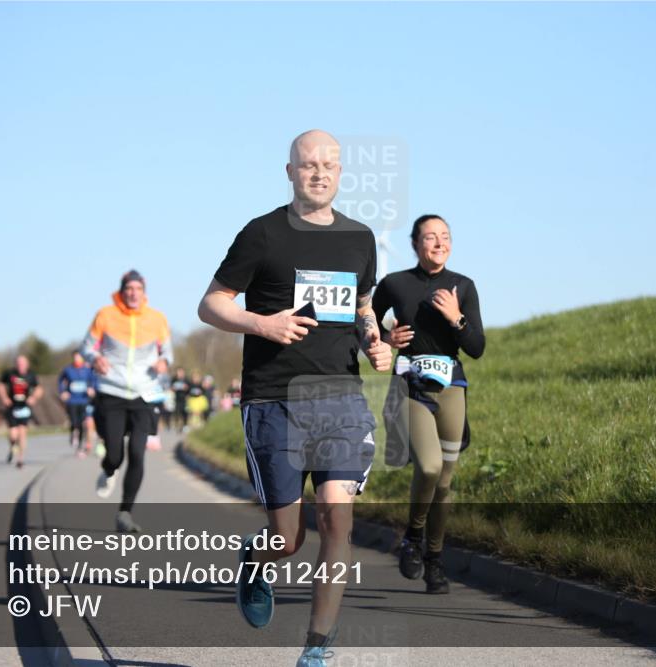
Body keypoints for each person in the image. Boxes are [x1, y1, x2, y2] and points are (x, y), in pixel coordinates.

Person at [198, 130, 392, 667]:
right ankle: (257, 561)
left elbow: (362, 306)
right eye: (308, 164)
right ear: (290, 172)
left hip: (340, 398)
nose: (319, 173)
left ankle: (316, 650)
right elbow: (210, 305)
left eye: (329, 164)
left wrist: (373, 340)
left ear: (341, 171)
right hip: (274, 400)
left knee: (338, 519)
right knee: (288, 539)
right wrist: (261, 322)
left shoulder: (360, 237)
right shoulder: (262, 234)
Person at [373, 214, 486, 594]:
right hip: (411, 386)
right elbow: (367, 322)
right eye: (430, 238)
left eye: (445, 237)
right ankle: (413, 536)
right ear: (415, 244)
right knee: (430, 466)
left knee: (445, 484)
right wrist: (386, 337)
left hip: (452, 386)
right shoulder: (394, 284)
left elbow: (477, 348)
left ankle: (434, 560)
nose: (439, 243)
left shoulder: (463, 286)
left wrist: (456, 319)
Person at [81, 269, 173, 533]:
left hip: (144, 393)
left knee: (137, 453)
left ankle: (125, 513)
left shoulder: (157, 319)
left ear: (144, 292)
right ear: (122, 291)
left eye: (138, 289)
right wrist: (94, 358)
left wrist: (163, 362)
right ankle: (109, 470)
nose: (133, 293)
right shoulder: (106, 315)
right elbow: (86, 347)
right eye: (129, 289)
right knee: (114, 454)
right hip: (112, 391)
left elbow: (167, 352)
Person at [0, 355, 42, 469]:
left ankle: (20, 459)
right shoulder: (9, 373)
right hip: (12, 406)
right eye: (19, 363)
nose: (21, 365)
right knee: (13, 434)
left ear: (27, 364)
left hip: (24, 407)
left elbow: (39, 388)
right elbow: (0, 385)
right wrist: (4, 398)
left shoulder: (31, 375)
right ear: (16, 364)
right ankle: (13, 447)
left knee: (22, 433)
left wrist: (34, 398)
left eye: (23, 363)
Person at [58, 351, 97, 457]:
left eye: (79, 357)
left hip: (84, 400)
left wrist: (92, 389)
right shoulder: (68, 370)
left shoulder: (88, 370)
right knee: (74, 422)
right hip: (72, 400)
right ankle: (73, 433)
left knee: (83, 423)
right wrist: (63, 392)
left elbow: (94, 381)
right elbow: (61, 381)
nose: (77, 359)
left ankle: (80, 446)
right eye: (75, 357)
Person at [170, 367, 190, 432]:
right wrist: (173, 388)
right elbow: (171, 388)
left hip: (184, 399)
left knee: (184, 412)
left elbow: (190, 389)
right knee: (176, 412)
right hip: (176, 399)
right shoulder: (174, 379)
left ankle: (185, 425)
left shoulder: (186, 380)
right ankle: (176, 424)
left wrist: (186, 388)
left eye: (181, 372)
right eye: (179, 372)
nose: (180, 373)